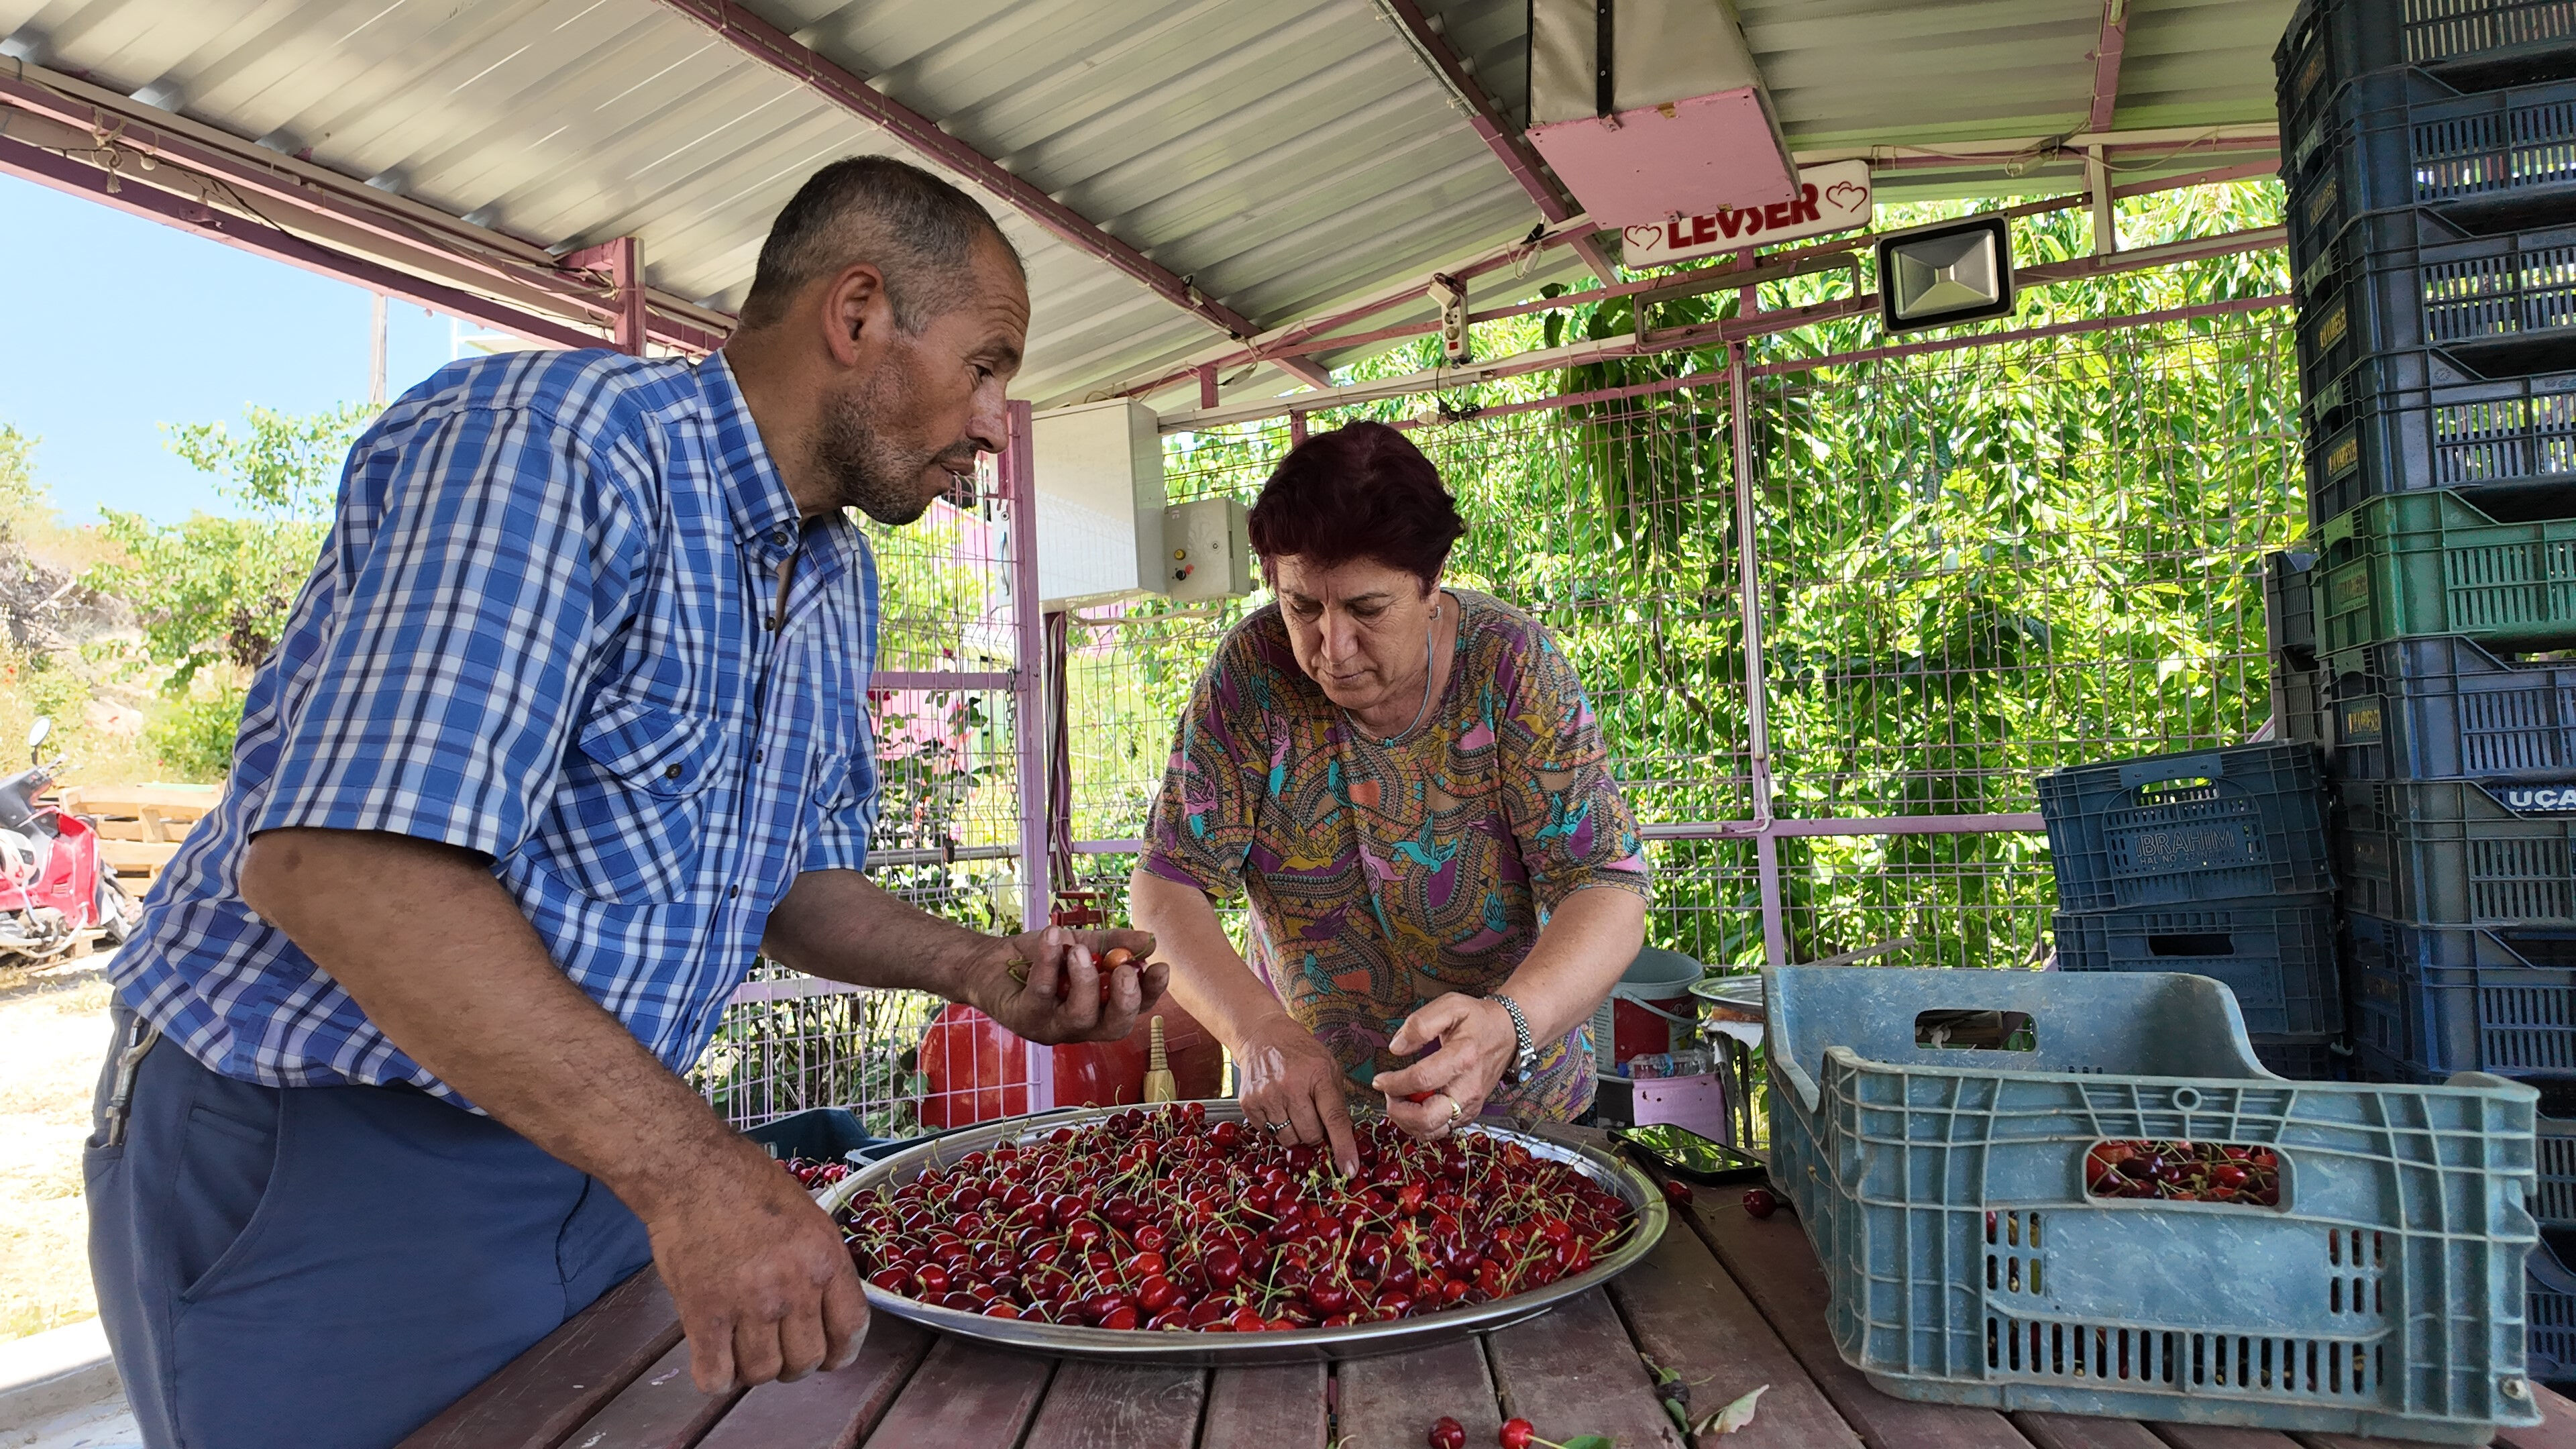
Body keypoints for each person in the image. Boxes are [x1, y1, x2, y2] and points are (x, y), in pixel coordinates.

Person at [83, 156, 1167, 1449]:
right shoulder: (557, 447)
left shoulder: (829, 578)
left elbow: (793, 888)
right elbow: (342, 870)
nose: (997, 420)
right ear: (860, 312)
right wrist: (699, 1175)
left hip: (592, 1137)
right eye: (987, 363)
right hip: (326, 1149)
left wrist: (980, 968)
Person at [1130, 421, 1650, 1176]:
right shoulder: (1250, 675)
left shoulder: (1510, 667)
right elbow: (1168, 885)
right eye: (1302, 606)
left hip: (1518, 1116)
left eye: (1367, 611)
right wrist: (1257, 1035)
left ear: (1432, 584)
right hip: (1311, 1118)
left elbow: (1606, 887)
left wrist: (1507, 1025)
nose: (1331, 648)